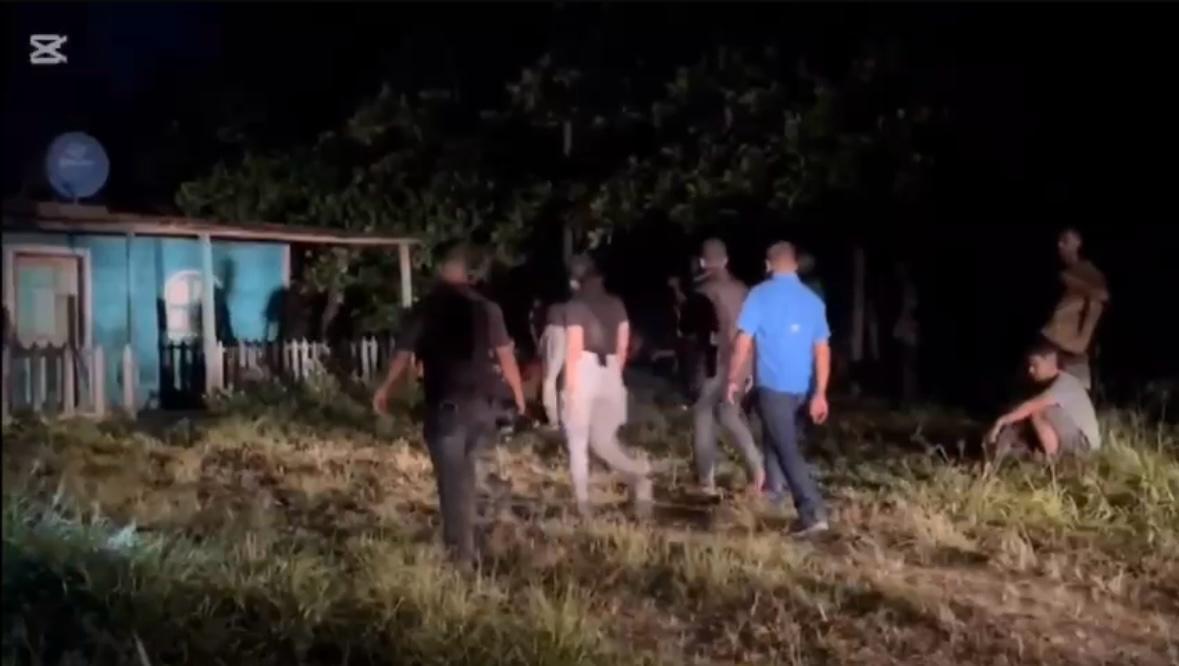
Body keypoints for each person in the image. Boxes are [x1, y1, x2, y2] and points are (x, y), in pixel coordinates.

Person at [372, 242, 526, 566]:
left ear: (442, 272)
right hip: (484, 407)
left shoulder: (426, 308)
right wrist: (518, 396)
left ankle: (461, 557)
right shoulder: (488, 309)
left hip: (447, 406)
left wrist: (385, 388)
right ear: (467, 274)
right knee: (468, 476)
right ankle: (476, 542)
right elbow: (505, 356)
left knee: (451, 483)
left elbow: (402, 354)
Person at [726, 241, 832, 537]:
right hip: (802, 387)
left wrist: (733, 378)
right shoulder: (812, 301)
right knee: (776, 437)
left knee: (786, 448)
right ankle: (775, 491)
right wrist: (820, 393)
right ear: (796, 265)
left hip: (774, 387)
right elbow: (822, 349)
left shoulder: (760, 295)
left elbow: (743, 341)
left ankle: (812, 512)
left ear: (768, 265)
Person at [562, 254, 654, 519]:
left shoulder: (575, 306)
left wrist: (569, 387)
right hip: (612, 370)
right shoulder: (616, 304)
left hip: (584, 368)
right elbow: (623, 344)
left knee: (578, 440)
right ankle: (639, 474)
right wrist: (614, 374)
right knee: (604, 440)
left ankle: (582, 502)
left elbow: (574, 348)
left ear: (574, 281)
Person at [688, 239, 764, 497]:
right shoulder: (742, 290)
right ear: (726, 261)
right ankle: (757, 469)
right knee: (730, 415)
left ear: (702, 262)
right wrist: (750, 366)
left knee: (702, 415)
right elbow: (751, 330)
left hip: (712, 363)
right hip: (741, 361)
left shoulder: (702, 291)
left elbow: (692, 333)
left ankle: (706, 480)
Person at [986, 341, 1102, 460]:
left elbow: (1031, 406)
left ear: (1048, 362)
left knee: (1038, 411)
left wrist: (1002, 421)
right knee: (1025, 422)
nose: (1030, 370)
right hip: (1072, 437)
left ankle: (1051, 460)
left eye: (1034, 365)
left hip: (1084, 445)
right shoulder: (1046, 385)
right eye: (1029, 366)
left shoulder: (1066, 383)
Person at [1040, 228, 1109, 391]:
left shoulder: (1087, 272)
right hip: (1053, 341)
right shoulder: (1064, 273)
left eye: (1065, 241)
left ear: (1078, 244)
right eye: (1059, 241)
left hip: (1070, 347)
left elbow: (1099, 301)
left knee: (1073, 391)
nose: (1059, 245)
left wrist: (1081, 341)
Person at [539, 299, 568, 429]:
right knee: (558, 379)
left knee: (552, 378)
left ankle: (555, 419)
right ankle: (558, 418)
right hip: (564, 330)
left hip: (559, 331)